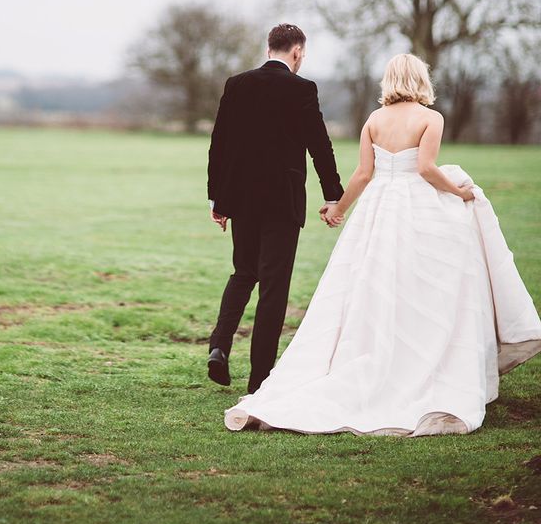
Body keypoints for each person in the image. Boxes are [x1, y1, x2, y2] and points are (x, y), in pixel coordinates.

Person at [224, 53, 541, 436]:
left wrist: (338, 208)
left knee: (370, 284)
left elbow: (363, 174)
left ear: (389, 80)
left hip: (377, 210)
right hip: (417, 208)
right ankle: (418, 362)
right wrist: (458, 193)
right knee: (421, 286)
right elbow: (425, 168)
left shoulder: (374, 120)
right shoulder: (430, 118)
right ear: (422, 80)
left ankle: (375, 355)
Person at [206, 23, 344, 394]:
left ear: (269, 49)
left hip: (242, 199)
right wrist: (334, 195)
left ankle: (219, 345)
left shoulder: (237, 84)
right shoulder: (302, 89)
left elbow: (219, 144)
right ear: (297, 52)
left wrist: (216, 199)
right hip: (282, 200)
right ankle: (259, 380)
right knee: (273, 287)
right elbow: (320, 145)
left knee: (243, 271)